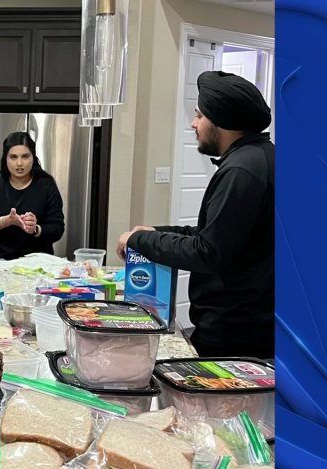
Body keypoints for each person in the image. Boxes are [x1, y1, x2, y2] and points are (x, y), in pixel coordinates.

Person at [116, 71, 274, 359]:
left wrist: (139, 240)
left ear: (221, 121)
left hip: (236, 334)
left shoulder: (242, 171)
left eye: (199, 115)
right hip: (247, 326)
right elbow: (215, 234)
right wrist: (153, 231)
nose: (193, 123)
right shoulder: (256, 159)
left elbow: (207, 252)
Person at [0, 131, 65, 260]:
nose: (19, 163)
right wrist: (6, 221)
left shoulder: (46, 186)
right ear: (5, 159)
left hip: (38, 265)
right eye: (13, 157)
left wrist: (35, 229)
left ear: (33, 157)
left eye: (25, 156)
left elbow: (57, 229)